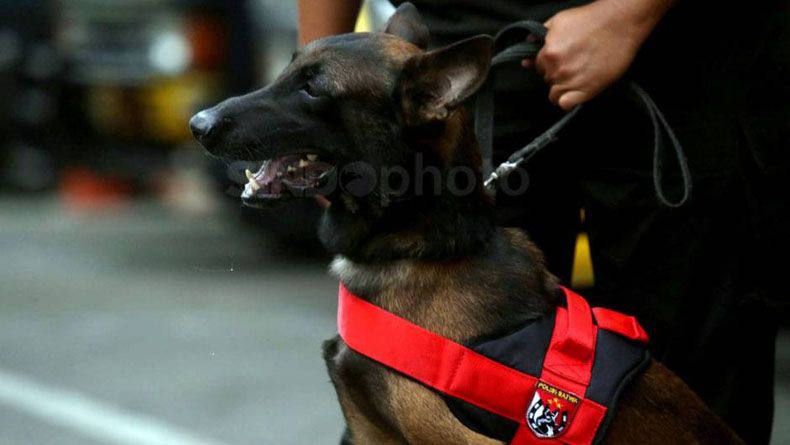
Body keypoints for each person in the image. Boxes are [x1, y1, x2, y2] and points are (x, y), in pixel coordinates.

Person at [297, 1, 789, 443]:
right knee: (399, 389)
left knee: (695, 377)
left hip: (686, 62)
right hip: (456, 81)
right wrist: (314, 96)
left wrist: (630, 12)